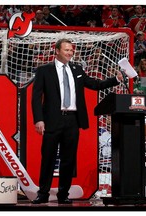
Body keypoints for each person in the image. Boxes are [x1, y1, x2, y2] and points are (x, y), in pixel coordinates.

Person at [31, 38, 123, 204]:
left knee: (68, 159)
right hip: (52, 119)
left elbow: (94, 84)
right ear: (57, 51)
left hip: (73, 120)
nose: (70, 53)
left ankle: (63, 195)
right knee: (48, 158)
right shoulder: (44, 70)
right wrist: (39, 119)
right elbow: (36, 98)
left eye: (71, 50)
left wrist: (114, 80)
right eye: (66, 50)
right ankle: (42, 193)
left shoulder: (77, 69)